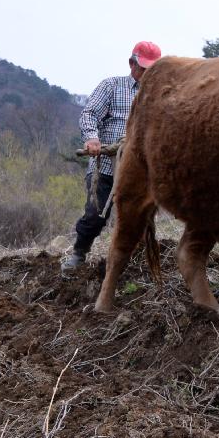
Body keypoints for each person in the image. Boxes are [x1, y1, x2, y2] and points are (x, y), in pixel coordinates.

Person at [61, 41, 162, 277]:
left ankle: (138, 258)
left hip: (142, 169)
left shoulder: (159, 95)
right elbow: (89, 113)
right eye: (143, 68)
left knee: (142, 216)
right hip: (107, 165)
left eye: (153, 69)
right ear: (132, 63)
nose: (147, 74)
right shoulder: (112, 86)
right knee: (96, 215)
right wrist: (92, 139)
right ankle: (78, 253)